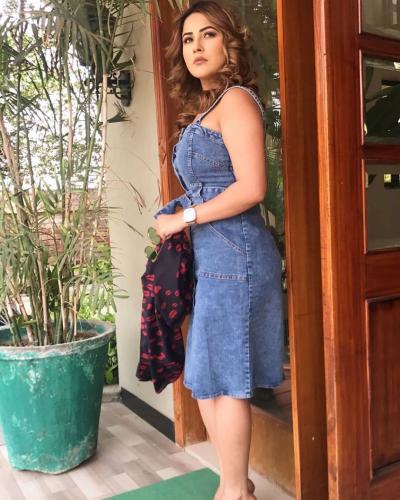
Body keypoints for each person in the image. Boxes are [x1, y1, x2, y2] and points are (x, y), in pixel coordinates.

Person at [153, 2, 285, 499]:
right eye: (188, 39)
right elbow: (212, 187)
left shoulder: (237, 101)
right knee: (205, 377)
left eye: (208, 35)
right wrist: (175, 215)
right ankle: (238, 486)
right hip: (215, 257)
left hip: (238, 255)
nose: (196, 47)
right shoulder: (207, 109)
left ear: (230, 43)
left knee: (225, 378)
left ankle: (232, 492)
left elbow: (252, 188)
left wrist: (184, 218)